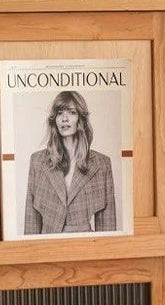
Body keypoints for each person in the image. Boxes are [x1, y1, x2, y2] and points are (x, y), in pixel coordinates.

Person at [24, 90, 116, 234]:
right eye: (60, 113)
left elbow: (108, 227)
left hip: (85, 247)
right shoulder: (37, 161)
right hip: (48, 247)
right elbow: (31, 222)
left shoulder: (101, 164)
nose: (64, 118)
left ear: (81, 118)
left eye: (72, 112)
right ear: (55, 119)